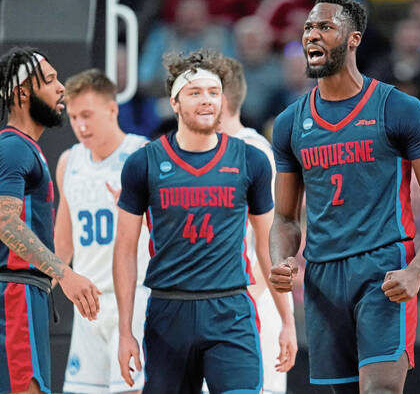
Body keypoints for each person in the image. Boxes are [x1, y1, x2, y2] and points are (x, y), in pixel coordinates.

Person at [269, 0, 420, 393]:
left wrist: (418, 269)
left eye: (325, 27)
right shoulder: (289, 123)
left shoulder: (398, 108)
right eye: (308, 28)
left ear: (353, 39)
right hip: (323, 275)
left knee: (380, 390)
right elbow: (284, 217)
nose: (312, 36)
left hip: (383, 267)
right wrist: (281, 259)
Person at [113, 49, 296, 394]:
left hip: (231, 308)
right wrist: (125, 332)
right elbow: (124, 250)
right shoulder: (144, 163)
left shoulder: (251, 159)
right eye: (195, 92)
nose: (206, 100)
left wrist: (287, 320)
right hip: (169, 309)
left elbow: (268, 244)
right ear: (174, 102)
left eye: (213, 92)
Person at [0, 47, 100, 394]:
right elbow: (6, 224)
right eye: (52, 80)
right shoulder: (13, 147)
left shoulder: (26, 148)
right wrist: (64, 272)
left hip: (28, 292)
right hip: (16, 294)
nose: (62, 88)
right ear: (23, 91)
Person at [53, 69, 150, 394]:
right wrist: (39, 291)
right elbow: (63, 243)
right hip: (88, 307)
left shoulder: (142, 155)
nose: (80, 126)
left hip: (135, 300)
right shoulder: (69, 161)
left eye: (88, 115)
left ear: (112, 110)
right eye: (74, 116)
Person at [217, 56, 296, 394]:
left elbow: (270, 246)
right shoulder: (196, 154)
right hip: (209, 308)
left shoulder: (254, 154)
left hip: (248, 307)